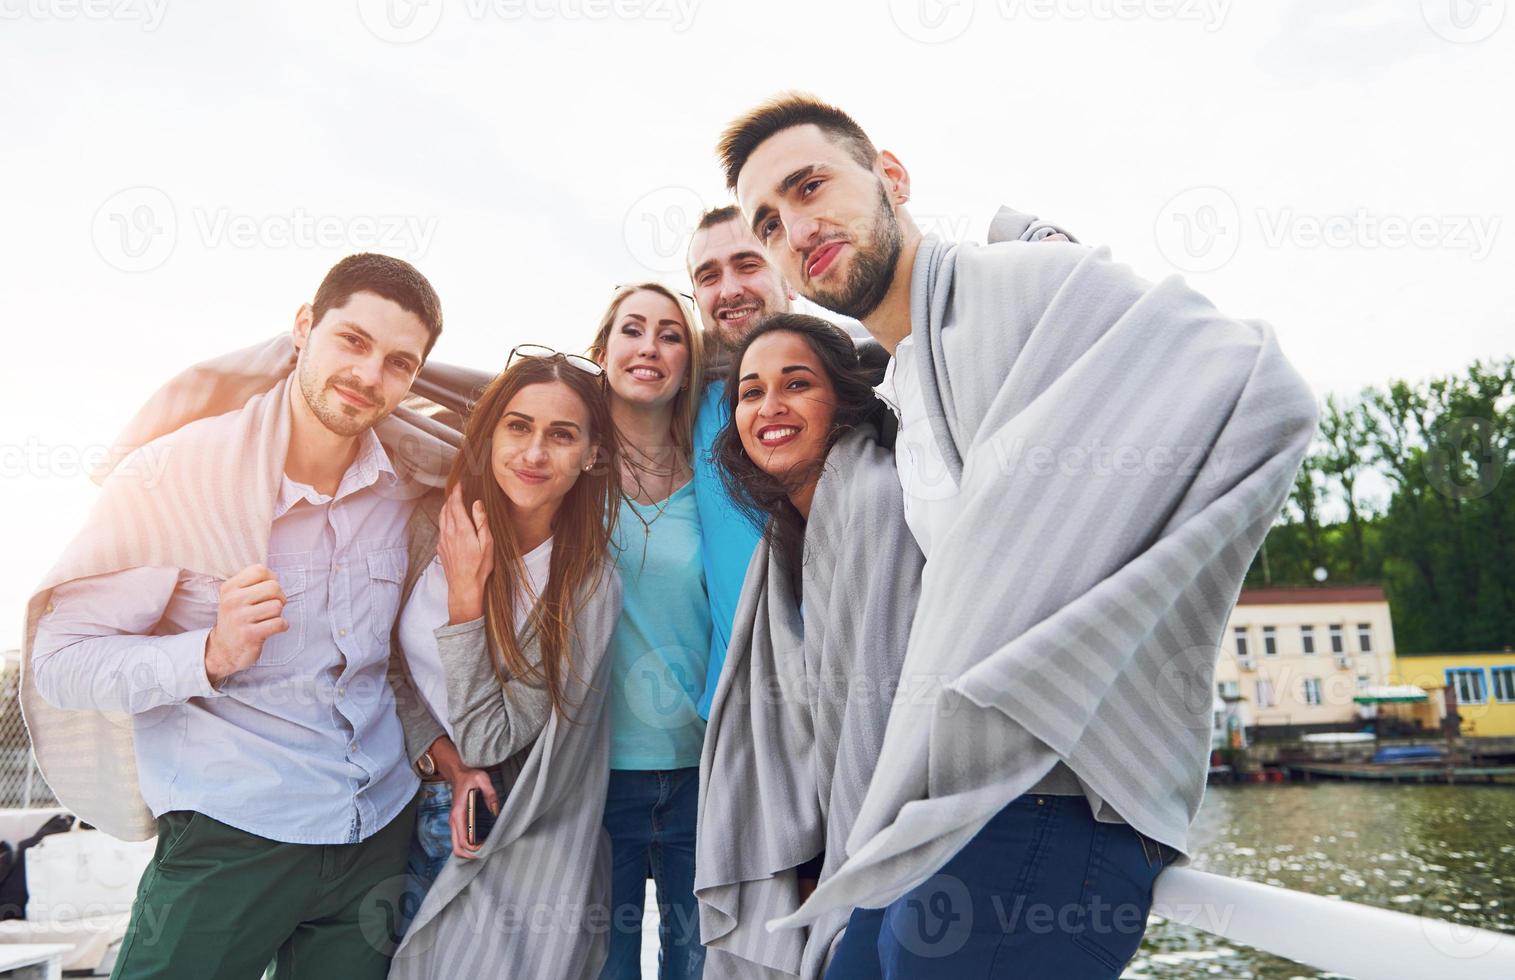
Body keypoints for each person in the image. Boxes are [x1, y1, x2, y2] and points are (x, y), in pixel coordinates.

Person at [718, 94, 1318, 977]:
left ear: (890, 177)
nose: (797, 228)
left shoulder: (1017, 286)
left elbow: (1264, 394)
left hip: (1057, 804)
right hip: (945, 808)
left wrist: (1089, 630)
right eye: (769, 223)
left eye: (811, 187)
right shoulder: (907, 386)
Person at [25, 254, 445, 979]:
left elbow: (403, 657)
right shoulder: (175, 476)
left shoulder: (409, 483)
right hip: (233, 834)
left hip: (374, 829)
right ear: (304, 326)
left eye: (398, 363)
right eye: (352, 341)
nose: (369, 376)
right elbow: (60, 663)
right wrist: (210, 652)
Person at [694, 314, 924, 979]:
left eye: (795, 385)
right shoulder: (783, 536)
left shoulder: (874, 499)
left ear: (844, 400)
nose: (769, 407)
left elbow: (875, 715)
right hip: (820, 858)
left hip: (888, 862)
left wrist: (835, 875)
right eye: (750, 391)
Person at [388, 348, 626, 979]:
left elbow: (491, 740)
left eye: (562, 434)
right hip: (387, 807)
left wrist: (466, 602)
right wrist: (441, 757)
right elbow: (383, 667)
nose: (534, 453)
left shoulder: (587, 584)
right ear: (490, 433)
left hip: (495, 830)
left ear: (592, 455)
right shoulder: (426, 524)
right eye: (518, 426)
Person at [588, 283, 711, 979]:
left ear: (688, 363)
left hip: (703, 773)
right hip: (595, 779)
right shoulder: (568, 464)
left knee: (699, 966)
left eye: (671, 335)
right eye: (632, 330)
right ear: (602, 350)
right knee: (603, 968)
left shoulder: (720, 476)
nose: (650, 347)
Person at [686, 206, 795, 721]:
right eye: (708, 276)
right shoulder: (677, 406)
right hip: (737, 719)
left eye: (747, 264)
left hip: (861, 708)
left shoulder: (866, 383)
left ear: (788, 274)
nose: (728, 289)